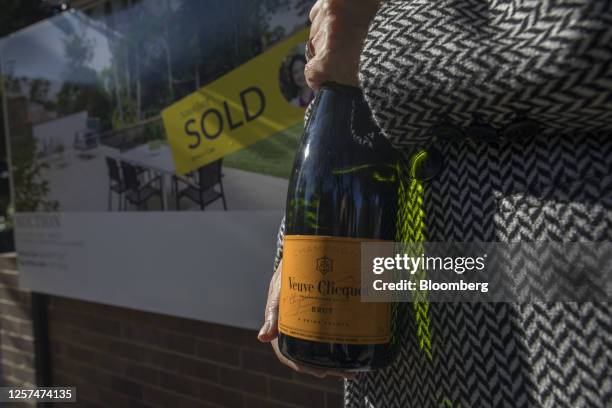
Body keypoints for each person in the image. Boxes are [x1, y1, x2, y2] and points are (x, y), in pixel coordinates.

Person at [259, 0, 612, 406]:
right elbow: (333, 109)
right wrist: (305, 243)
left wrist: (382, 44)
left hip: (554, 316)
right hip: (395, 367)